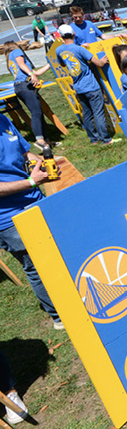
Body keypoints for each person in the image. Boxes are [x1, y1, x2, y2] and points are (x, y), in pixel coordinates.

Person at [0, 111, 64, 333]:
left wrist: (46, 162)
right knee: (36, 265)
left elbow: (25, 154)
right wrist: (30, 182)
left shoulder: (4, 119)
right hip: (9, 217)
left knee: (59, 248)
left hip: (35, 199)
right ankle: (59, 315)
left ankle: (73, 297)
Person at [56, 24, 119, 146]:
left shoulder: (59, 50)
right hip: (90, 85)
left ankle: (94, 139)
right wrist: (104, 60)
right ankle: (106, 140)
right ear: (74, 34)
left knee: (87, 113)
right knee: (98, 112)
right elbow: (99, 63)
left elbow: (63, 64)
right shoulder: (80, 49)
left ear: (61, 37)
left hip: (78, 87)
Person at [4, 41, 52, 149]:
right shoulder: (16, 51)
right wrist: (31, 75)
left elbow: (37, 73)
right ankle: (39, 139)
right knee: (36, 113)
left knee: (38, 112)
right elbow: (22, 65)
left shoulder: (9, 59)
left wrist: (50, 64)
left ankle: (46, 141)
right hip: (25, 85)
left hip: (19, 87)